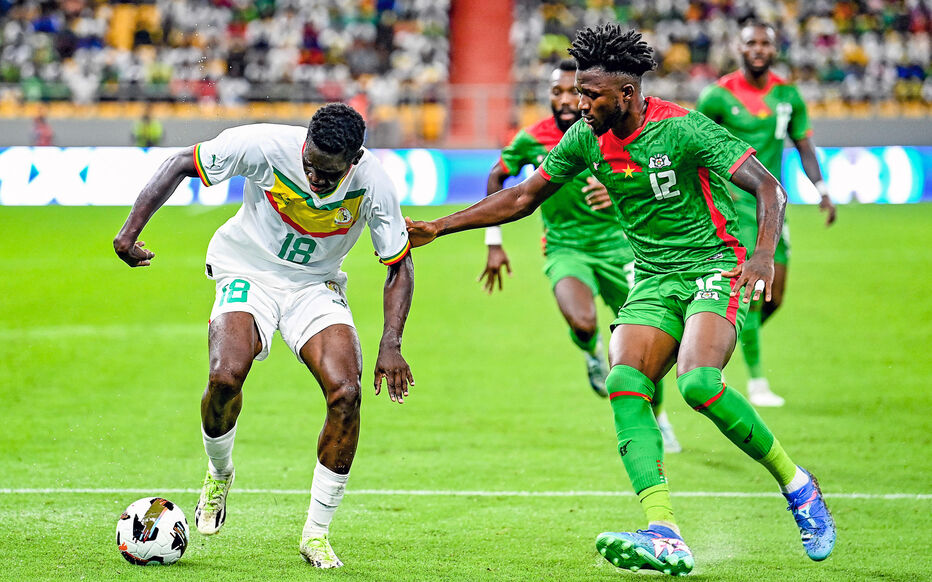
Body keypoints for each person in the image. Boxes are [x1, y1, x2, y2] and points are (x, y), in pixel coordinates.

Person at [406, 25, 835, 576]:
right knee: (624, 380)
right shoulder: (586, 137)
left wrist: (762, 256)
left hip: (715, 266)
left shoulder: (682, 128)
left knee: (698, 383)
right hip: (654, 278)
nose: (578, 105)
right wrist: (440, 227)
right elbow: (523, 197)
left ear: (626, 95)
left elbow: (768, 186)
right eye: (577, 93)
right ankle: (664, 531)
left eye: (590, 94)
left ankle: (800, 489)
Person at [113, 104, 415, 569]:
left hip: (316, 285)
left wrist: (390, 343)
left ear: (354, 160)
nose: (314, 177)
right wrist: (128, 234)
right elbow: (178, 164)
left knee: (347, 394)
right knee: (225, 376)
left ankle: (315, 534)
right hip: (247, 268)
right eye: (309, 164)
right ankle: (219, 474)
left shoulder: (374, 184)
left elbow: (399, 263)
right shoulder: (264, 145)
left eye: (327, 173)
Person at [482, 59, 680, 452]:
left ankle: (659, 417)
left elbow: (649, 173)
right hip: (565, 247)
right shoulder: (534, 138)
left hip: (621, 248)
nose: (564, 99)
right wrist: (493, 242)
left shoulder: (613, 133)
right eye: (555, 92)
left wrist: (619, 188)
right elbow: (497, 176)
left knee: (646, 343)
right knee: (583, 321)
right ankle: (590, 353)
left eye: (571, 91)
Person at [696, 20, 837, 407]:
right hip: (734, 209)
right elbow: (694, 148)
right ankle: (757, 382)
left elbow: (804, 145)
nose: (758, 49)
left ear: (775, 49)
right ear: (738, 48)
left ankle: (720, 339)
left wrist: (822, 190)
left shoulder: (788, 95)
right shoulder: (717, 96)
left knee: (775, 296)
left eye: (765, 43)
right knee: (754, 292)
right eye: (750, 43)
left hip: (772, 208)